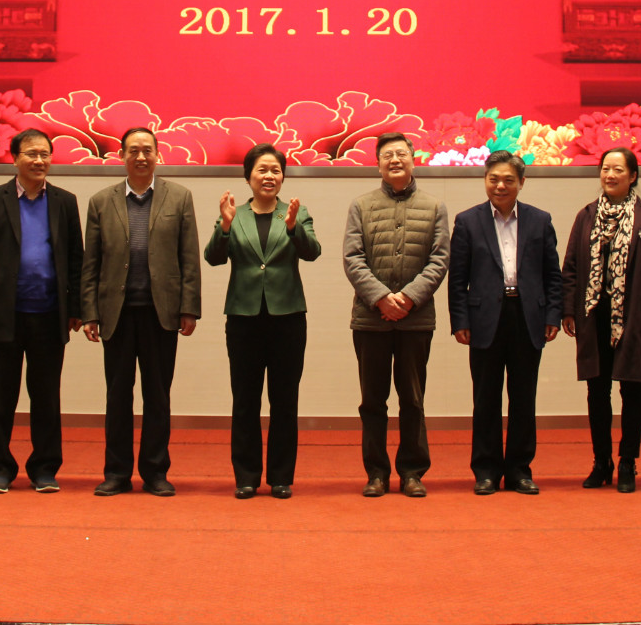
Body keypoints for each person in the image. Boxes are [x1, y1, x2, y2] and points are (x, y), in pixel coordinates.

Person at [80, 127, 201, 497]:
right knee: (117, 397)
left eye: (147, 150)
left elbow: (189, 258)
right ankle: (116, 473)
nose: (141, 156)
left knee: (157, 396)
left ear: (157, 155)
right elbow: (91, 263)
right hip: (115, 313)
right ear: (122, 156)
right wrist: (89, 312)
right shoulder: (101, 201)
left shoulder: (179, 197)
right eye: (133, 150)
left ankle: (155, 472)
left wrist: (189, 308)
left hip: (160, 313)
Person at [0, 128, 83, 494]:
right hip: (4, 315)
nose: (39, 160)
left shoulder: (64, 201)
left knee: (46, 397)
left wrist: (76, 308)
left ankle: (44, 468)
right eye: (31, 154)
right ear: (15, 158)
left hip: (49, 314)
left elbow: (76, 260)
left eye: (45, 154)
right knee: (0, 397)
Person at [204, 143, 321, 500]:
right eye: (262, 170)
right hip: (243, 319)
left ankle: (281, 477)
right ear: (248, 177)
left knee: (285, 401)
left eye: (275, 170)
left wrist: (293, 228)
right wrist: (224, 227)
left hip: (288, 319)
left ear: (282, 177)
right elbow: (213, 257)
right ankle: (246, 477)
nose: (269, 176)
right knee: (245, 400)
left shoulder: (296, 212)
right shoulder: (234, 213)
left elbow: (312, 252)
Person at [447, 150, 561, 496]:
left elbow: (552, 275)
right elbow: (458, 279)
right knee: (485, 399)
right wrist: (460, 320)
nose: (500, 185)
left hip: (528, 316)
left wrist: (552, 315)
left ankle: (519, 471)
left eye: (508, 180)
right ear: (485, 181)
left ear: (521, 183)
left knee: (524, 398)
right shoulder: (468, 221)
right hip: (484, 319)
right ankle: (486, 471)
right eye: (493, 179)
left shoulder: (540, 220)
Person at [343, 132, 449, 498]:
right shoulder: (361, 205)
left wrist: (407, 298)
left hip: (415, 320)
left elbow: (439, 260)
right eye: (387, 155)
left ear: (413, 160)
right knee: (372, 401)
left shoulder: (434, 206)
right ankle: (376, 473)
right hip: (370, 319)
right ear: (378, 165)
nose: (395, 160)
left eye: (401, 153)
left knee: (413, 399)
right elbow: (353, 259)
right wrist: (381, 299)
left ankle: (412, 472)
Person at [560, 146, 641, 494]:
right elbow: (571, 268)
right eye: (606, 168)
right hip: (593, 315)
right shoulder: (587, 215)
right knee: (597, 390)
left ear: (633, 176)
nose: (610, 175)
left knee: (632, 388)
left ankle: (628, 462)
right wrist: (568, 310)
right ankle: (601, 461)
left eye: (618, 169)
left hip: (632, 315)